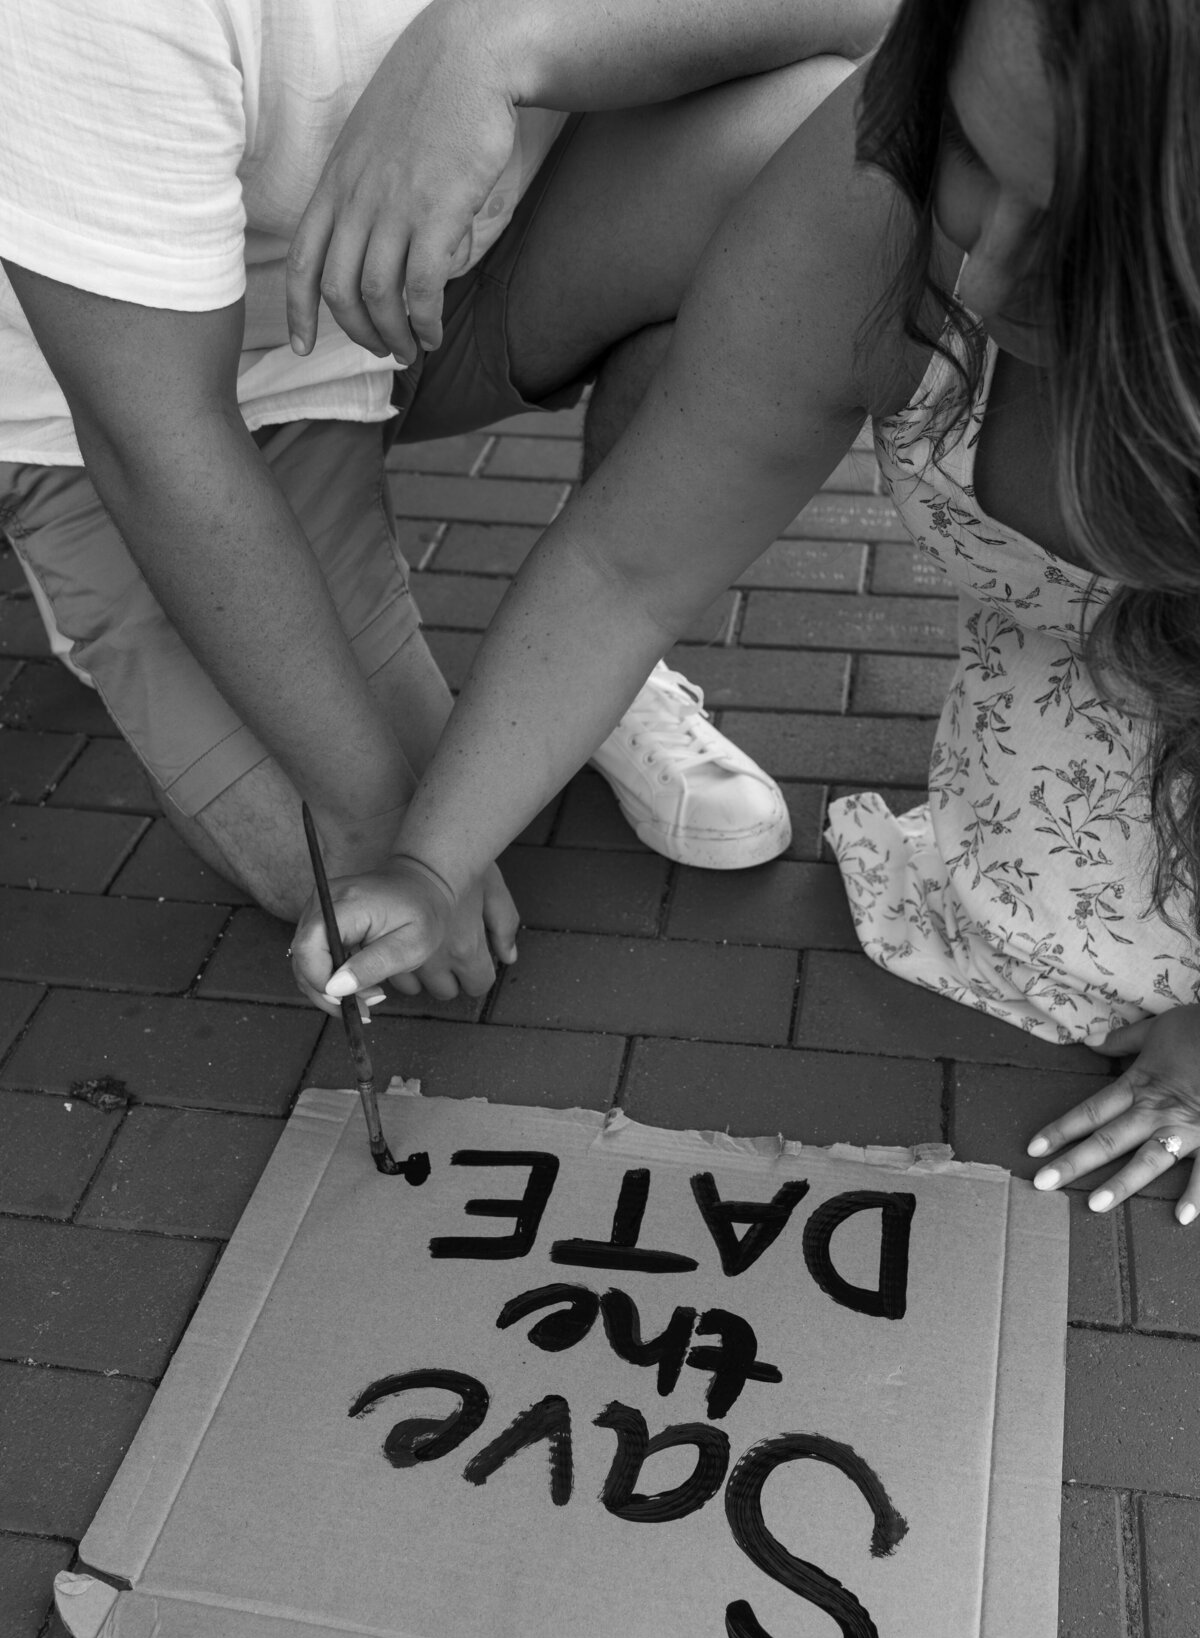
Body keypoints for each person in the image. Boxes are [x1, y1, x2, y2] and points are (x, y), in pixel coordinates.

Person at [292, 0, 1200, 1228]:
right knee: (1041, 920)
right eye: (973, 156)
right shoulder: (874, 180)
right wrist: (429, 858)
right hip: (1089, 653)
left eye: (1085, 235)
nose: (983, 266)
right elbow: (632, 565)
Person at [0, 0, 894, 997]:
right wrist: (380, 827)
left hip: (422, 295)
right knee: (348, 874)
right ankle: (107, 592)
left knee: (828, 143)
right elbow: (155, 436)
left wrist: (490, 42)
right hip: (127, 407)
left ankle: (600, 673)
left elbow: (872, 15)